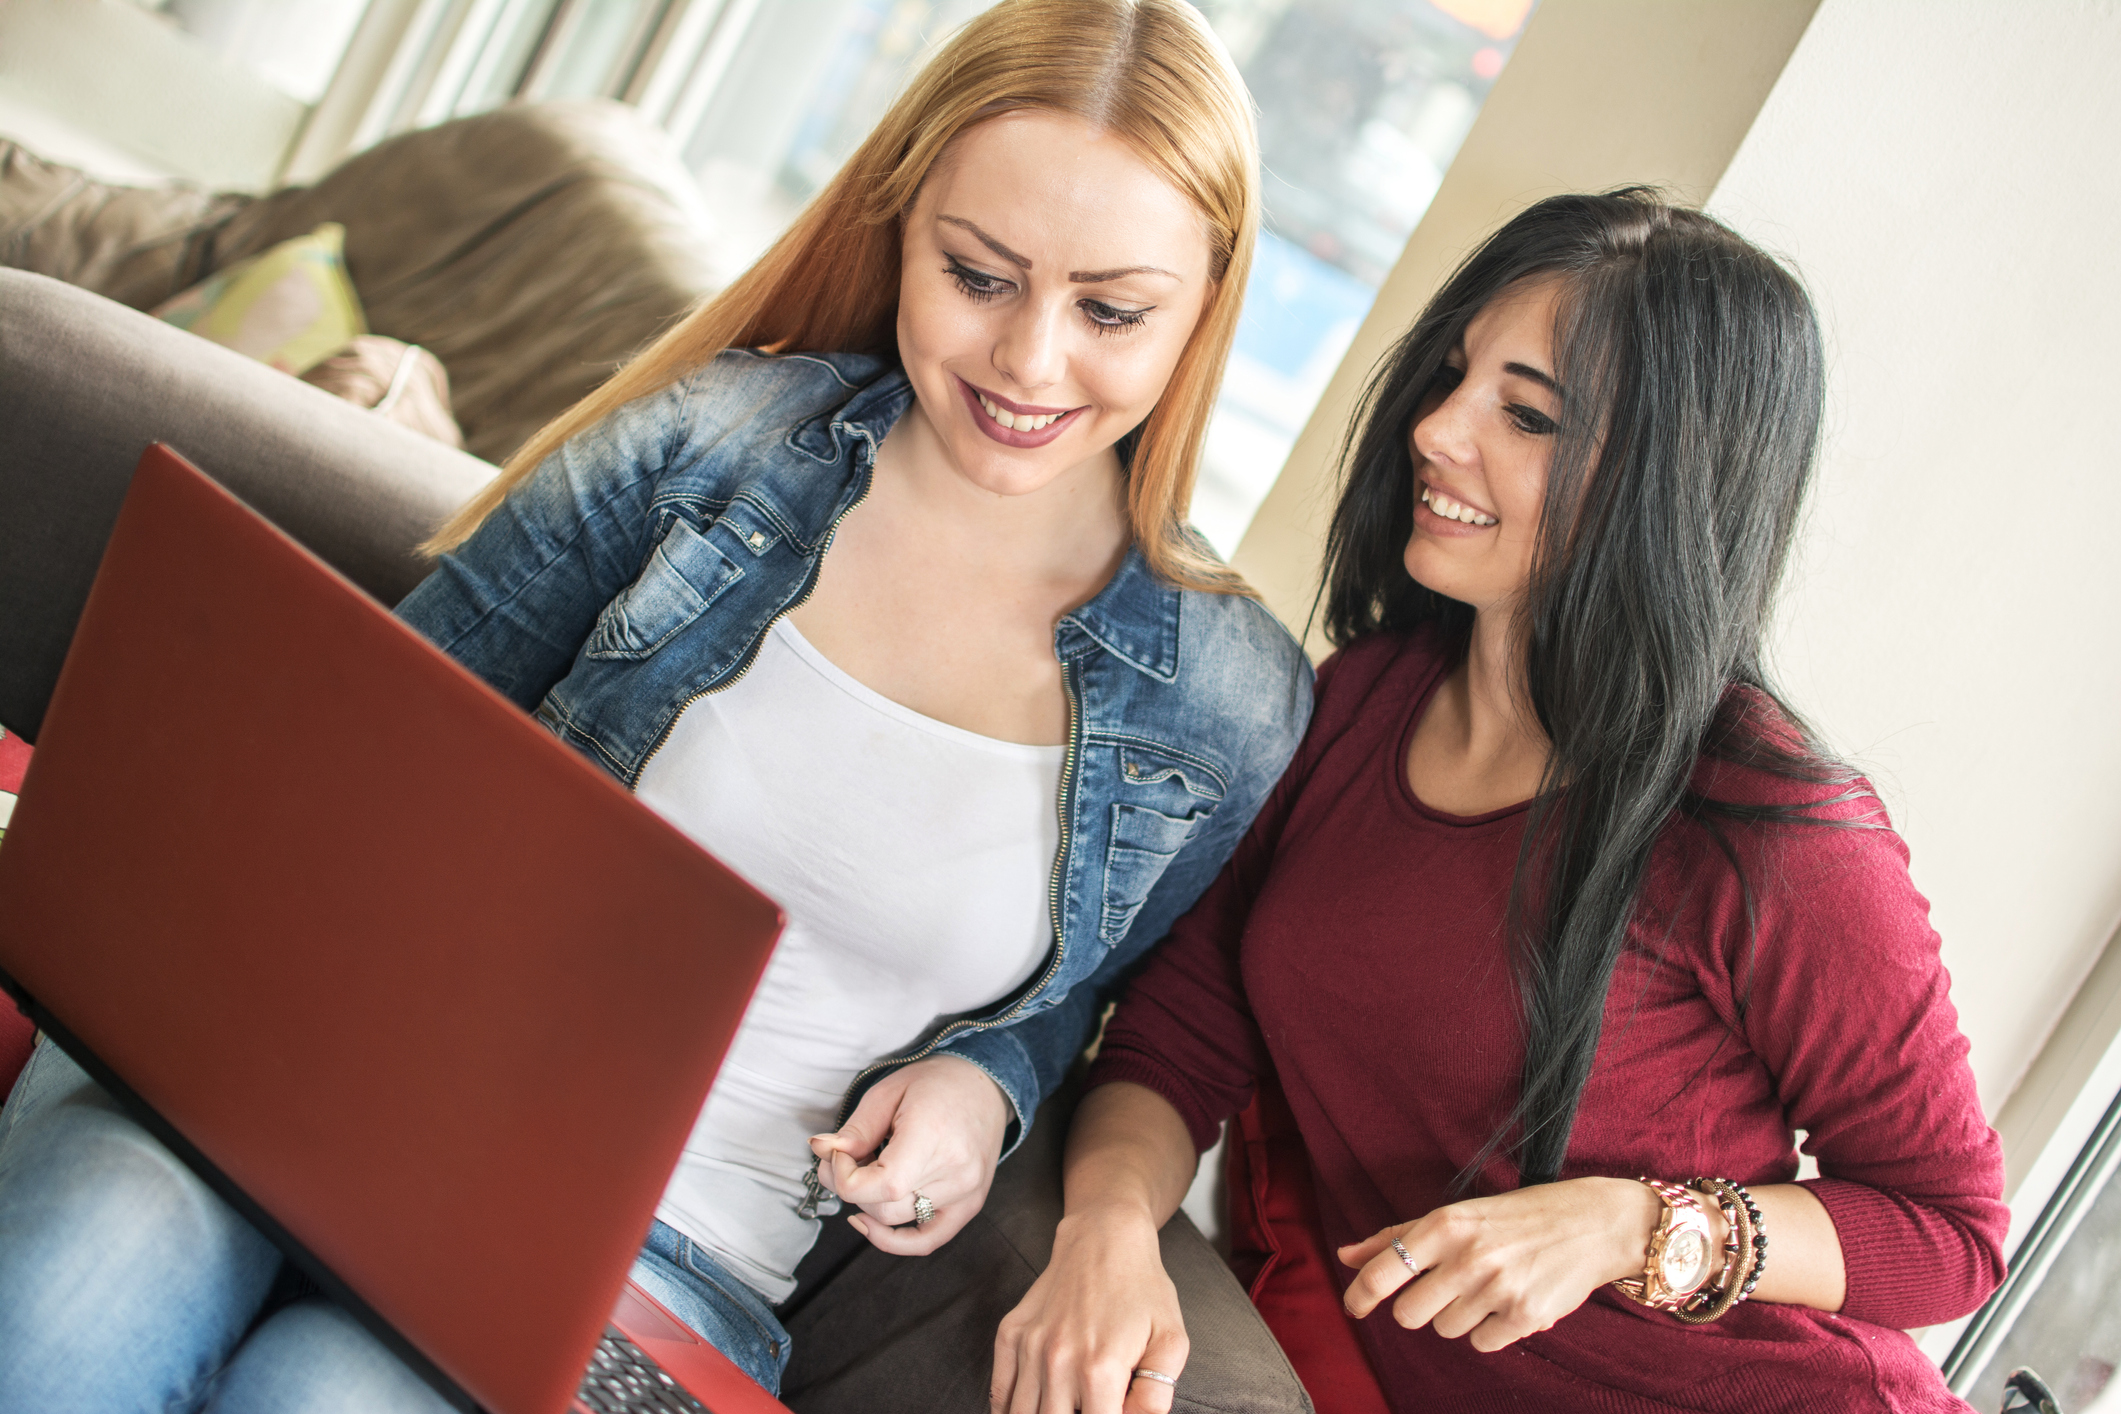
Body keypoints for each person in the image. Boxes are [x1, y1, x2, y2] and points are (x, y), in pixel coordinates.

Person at [0, 2, 1313, 1408]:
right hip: (331, 1078)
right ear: (902, 221)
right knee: (81, 1276)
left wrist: (987, 1085)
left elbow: (1076, 1002)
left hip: (663, 1255)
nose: (1029, 361)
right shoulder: (720, 441)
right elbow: (379, 725)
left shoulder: (1228, 701)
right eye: (978, 274)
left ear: (1209, 302)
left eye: (1111, 310)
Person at [991, 189, 2007, 1414]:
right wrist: (1103, 1230)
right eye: (1455, 374)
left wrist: (1625, 1225)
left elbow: (1949, 1232)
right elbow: (1176, 1041)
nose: (1436, 428)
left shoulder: (1768, 829)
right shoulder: (1354, 709)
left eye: (1526, 415)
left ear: (1666, 482)